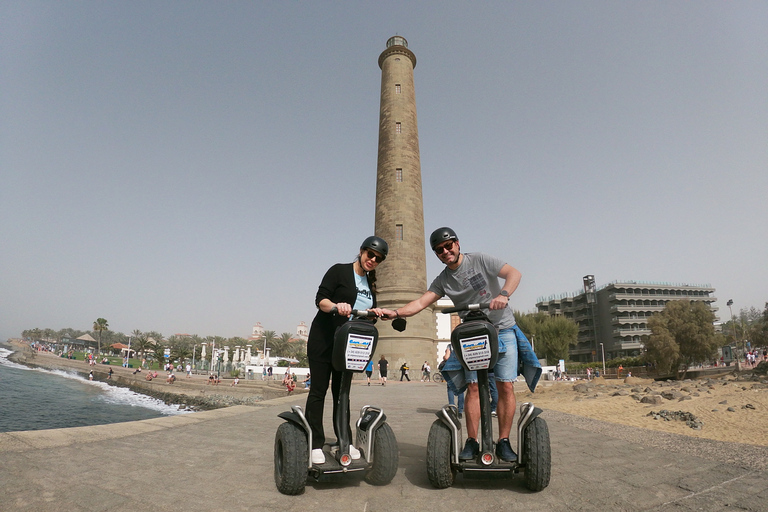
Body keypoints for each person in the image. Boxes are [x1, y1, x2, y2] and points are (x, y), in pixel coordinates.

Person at [381, 227, 532, 463]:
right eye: (439, 250)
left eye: (448, 246)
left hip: (502, 329)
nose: (445, 251)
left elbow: (514, 273)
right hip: (472, 334)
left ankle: (503, 441)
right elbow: (422, 301)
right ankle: (472, 441)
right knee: (473, 387)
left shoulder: (480, 259)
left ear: (457, 243)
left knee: (505, 387)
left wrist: (503, 294)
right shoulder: (443, 280)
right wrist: (396, 312)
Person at [305, 236, 389, 465]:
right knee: (319, 391)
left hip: (349, 346)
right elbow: (320, 300)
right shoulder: (339, 271)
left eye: (378, 258)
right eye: (370, 254)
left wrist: (375, 312)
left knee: (342, 394)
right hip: (323, 340)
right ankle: (315, 442)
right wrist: (335, 306)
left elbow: (366, 313)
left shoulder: (371, 284)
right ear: (361, 251)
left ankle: (344, 440)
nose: (372, 260)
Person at [443, 345, 464, 419]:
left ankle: (452, 408)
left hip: (450, 370)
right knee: (460, 389)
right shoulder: (461, 344)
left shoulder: (450, 346)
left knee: (450, 389)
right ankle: (460, 411)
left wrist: (444, 356)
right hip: (460, 369)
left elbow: (446, 357)